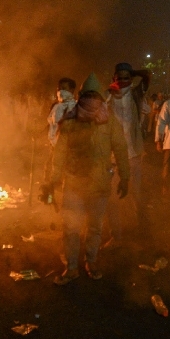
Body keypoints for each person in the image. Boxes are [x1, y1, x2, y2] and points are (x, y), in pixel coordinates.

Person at [46, 73, 130, 285]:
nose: (91, 99)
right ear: (81, 95)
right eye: (88, 95)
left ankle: (91, 262)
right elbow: (60, 153)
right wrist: (53, 180)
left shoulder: (109, 121)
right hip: (74, 183)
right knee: (71, 228)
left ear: (101, 98)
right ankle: (72, 267)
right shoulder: (71, 120)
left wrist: (125, 177)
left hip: (99, 185)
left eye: (95, 95)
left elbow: (120, 149)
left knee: (94, 227)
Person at [105, 62, 150, 244]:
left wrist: (134, 72)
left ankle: (140, 229)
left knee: (135, 194)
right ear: (113, 79)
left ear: (131, 79)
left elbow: (147, 75)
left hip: (133, 154)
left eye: (127, 78)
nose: (123, 81)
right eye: (119, 78)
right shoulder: (107, 97)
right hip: (113, 157)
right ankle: (116, 234)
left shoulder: (136, 94)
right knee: (111, 196)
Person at [47, 78, 77, 147]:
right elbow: (51, 123)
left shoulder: (75, 106)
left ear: (71, 90)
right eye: (59, 89)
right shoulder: (56, 106)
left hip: (67, 146)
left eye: (64, 88)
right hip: (54, 145)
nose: (60, 91)